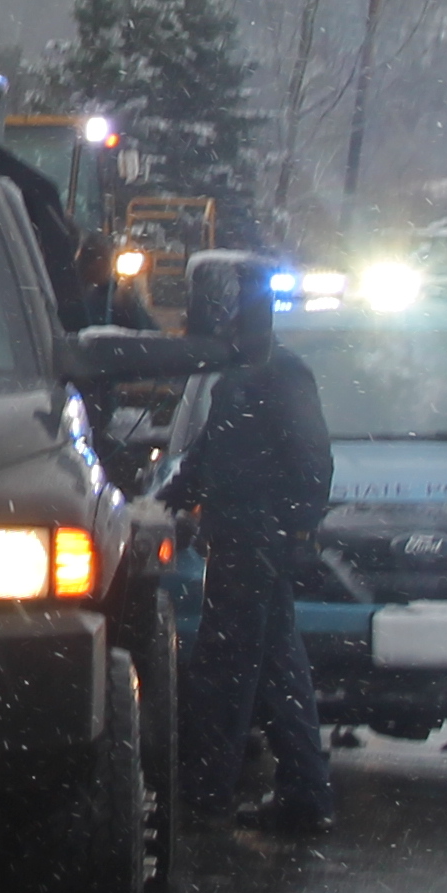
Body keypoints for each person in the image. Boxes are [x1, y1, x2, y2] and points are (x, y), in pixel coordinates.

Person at [166, 345, 336, 836]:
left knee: (227, 667)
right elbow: (211, 453)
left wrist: (297, 527)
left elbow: (310, 457)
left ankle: (207, 793)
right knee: (276, 669)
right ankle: (305, 795)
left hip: (254, 540)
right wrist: (170, 499)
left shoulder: (275, 372)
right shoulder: (243, 374)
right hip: (246, 537)